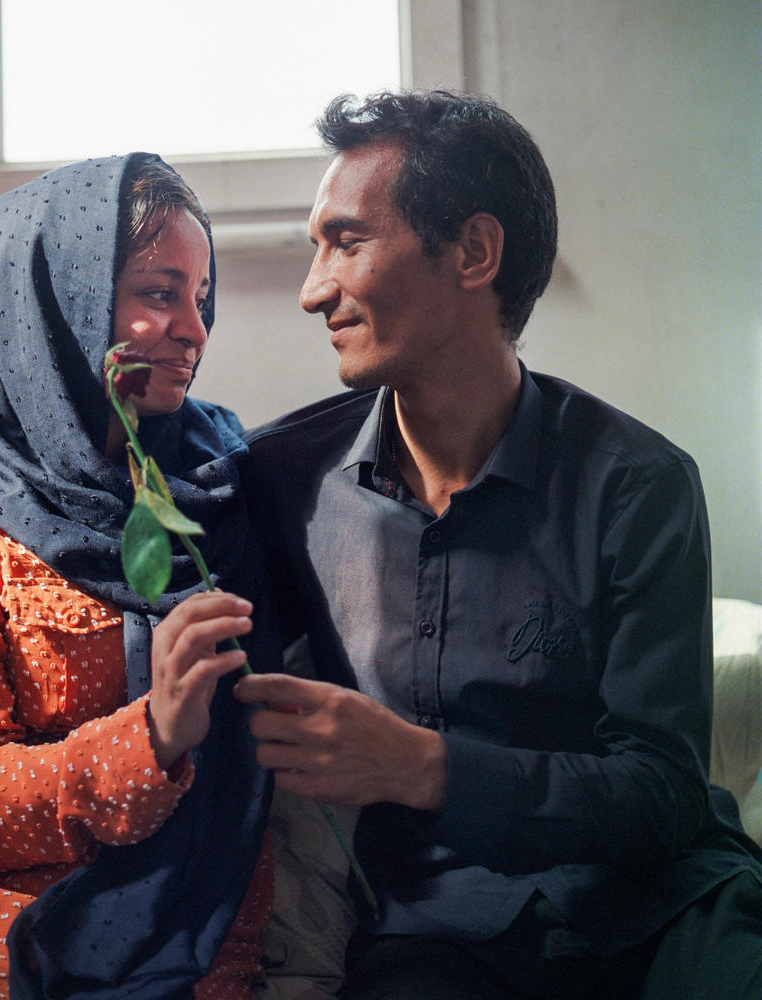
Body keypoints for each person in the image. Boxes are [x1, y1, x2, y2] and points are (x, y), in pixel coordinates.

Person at [235, 90, 762, 999]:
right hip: (438, 936)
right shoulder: (284, 480)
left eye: (348, 241)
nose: (313, 289)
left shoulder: (639, 484)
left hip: (665, 907)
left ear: (474, 252)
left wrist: (421, 767)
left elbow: (664, 795)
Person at [0, 153, 276, 1000]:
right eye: (158, 293)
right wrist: (153, 737)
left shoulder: (225, 495)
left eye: (201, 298)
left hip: (182, 940)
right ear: (56, 307)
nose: (195, 331)